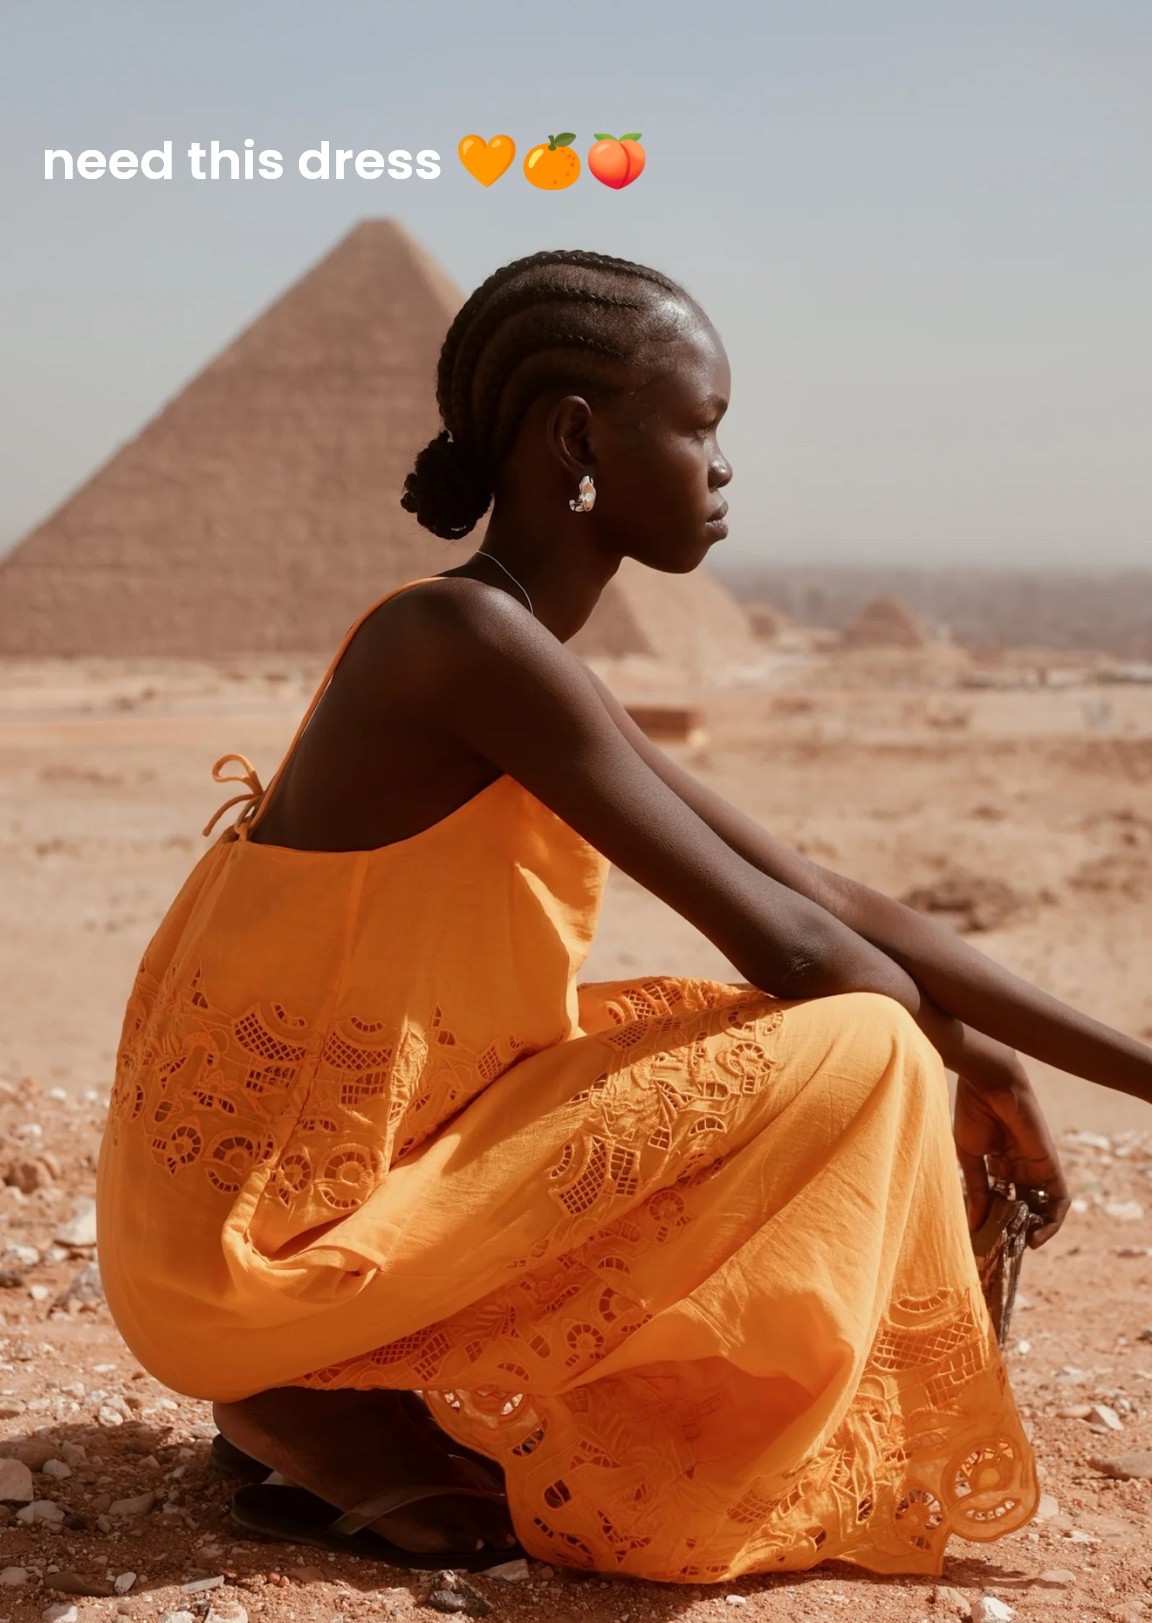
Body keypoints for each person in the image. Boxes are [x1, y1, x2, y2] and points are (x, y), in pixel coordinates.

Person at [95, 246, 1152, 1585]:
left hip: (255, 1231)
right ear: (579, 439)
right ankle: (305, 1389)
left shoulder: (504, 649)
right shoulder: (459, 648)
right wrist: (956, 1052)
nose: (723, 467)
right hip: (247, 1261)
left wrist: (1070, 1064)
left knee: (811, 1031)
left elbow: (833, 897)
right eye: (702, 424)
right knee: (870, 1046)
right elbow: (803, 949)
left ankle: (337, 1390)